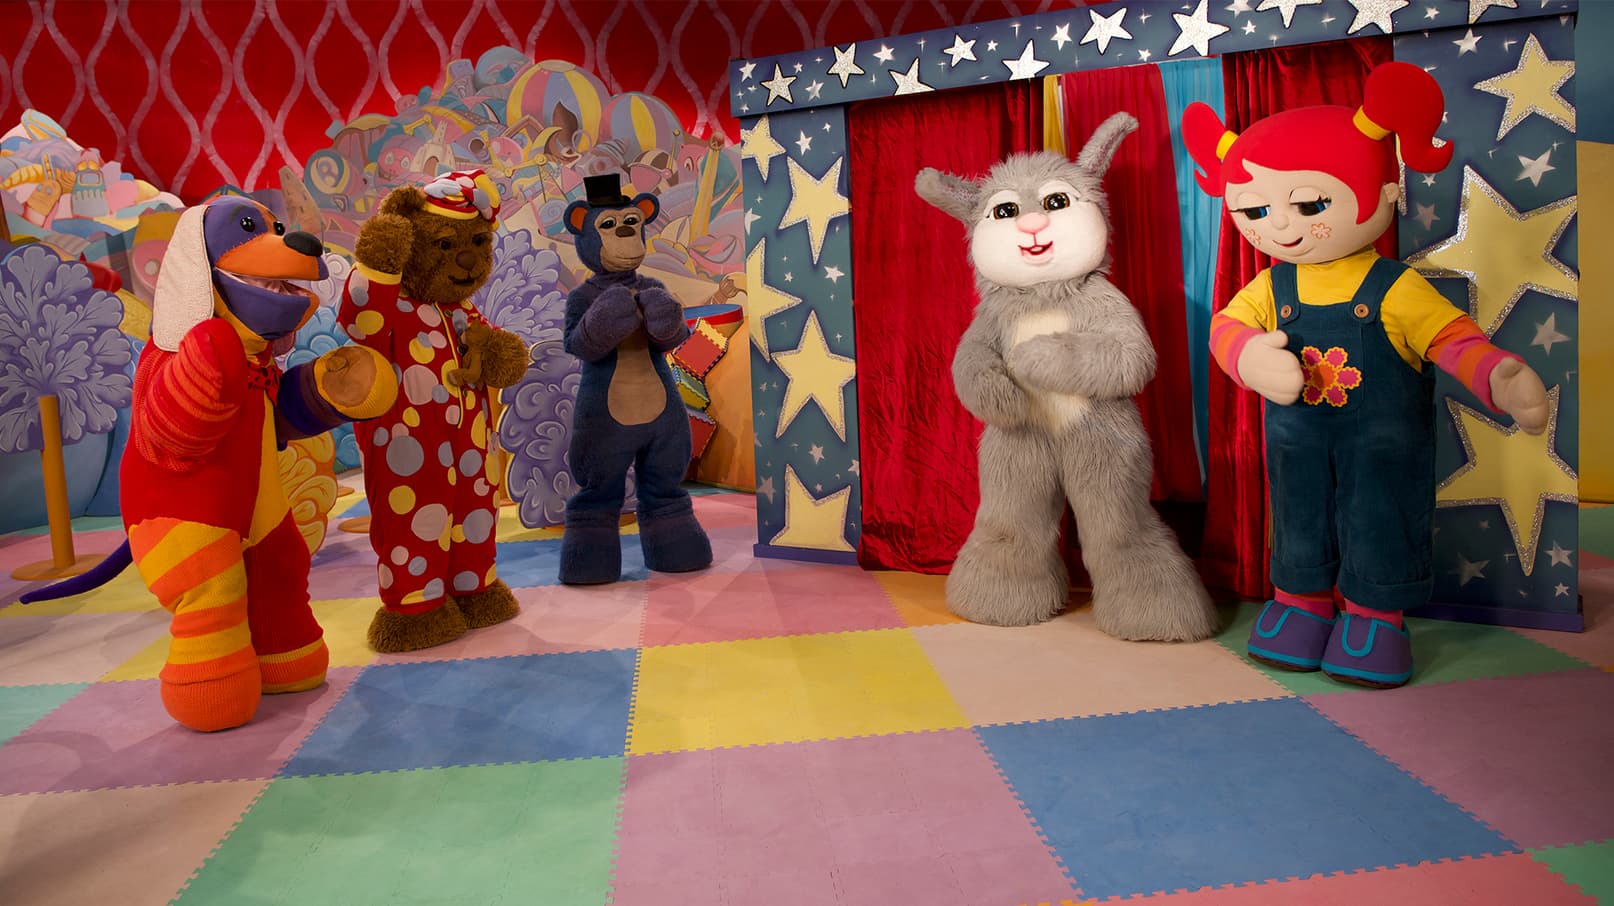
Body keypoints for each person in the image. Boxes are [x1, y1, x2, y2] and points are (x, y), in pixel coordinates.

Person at [1182, 61, 1549, 688]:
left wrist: (1499, 376)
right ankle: (1300, 604)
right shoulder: (1272, 284)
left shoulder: (1395, 286)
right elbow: (1227, 326)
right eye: (1257, 209)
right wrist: (1248, 357)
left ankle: (1376, 618)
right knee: (1298, 516)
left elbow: (1451, 339)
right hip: (1297, 444)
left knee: (1380, 518)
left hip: (1383, 446)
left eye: (1309, 204)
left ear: (1381, 193)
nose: (1281, 225)